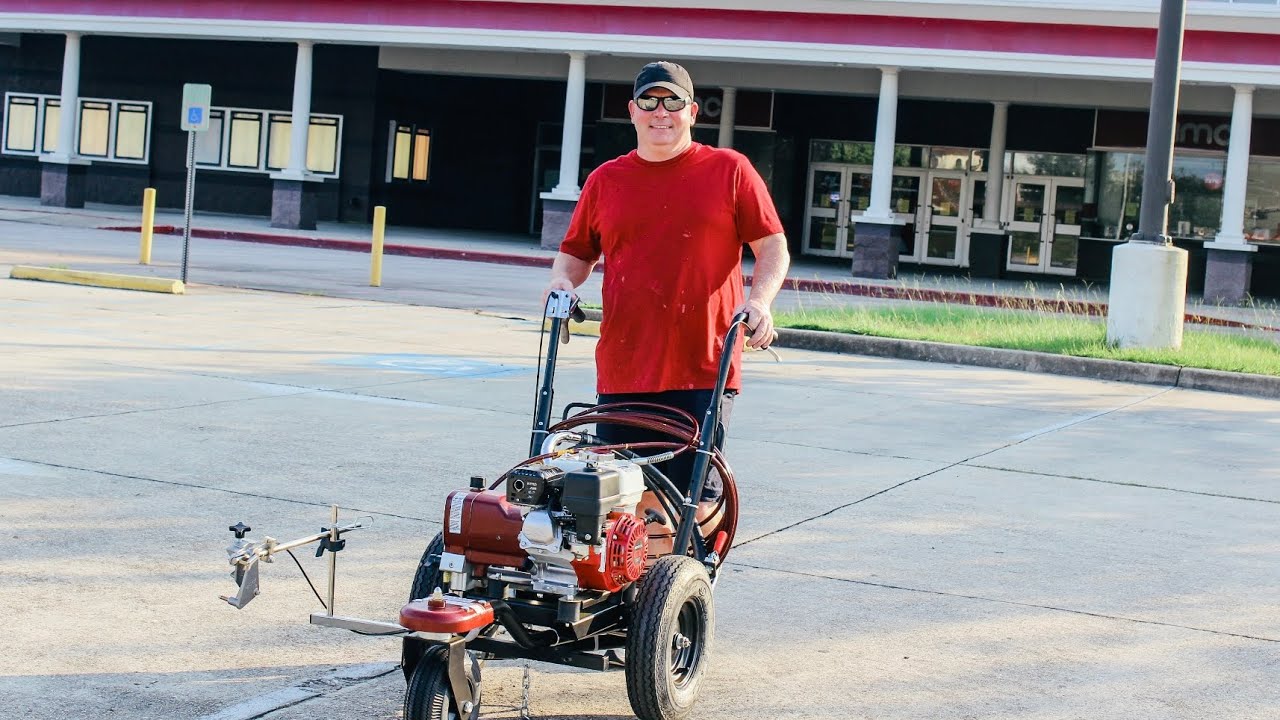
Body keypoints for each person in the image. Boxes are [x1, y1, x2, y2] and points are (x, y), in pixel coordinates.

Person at [541, 60, 789, 512]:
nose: (661, 112)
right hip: (624, 367)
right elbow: (577, 252)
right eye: (650, 101)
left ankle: (691, 559)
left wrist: (760, 302)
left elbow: (772, 245)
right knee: (622, 499)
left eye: (673, 102)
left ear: (692, 112)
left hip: (704, 367)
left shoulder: (730, 170)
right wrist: (561, 280)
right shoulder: (605, 180)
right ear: (632, 111)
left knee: (693, 503)